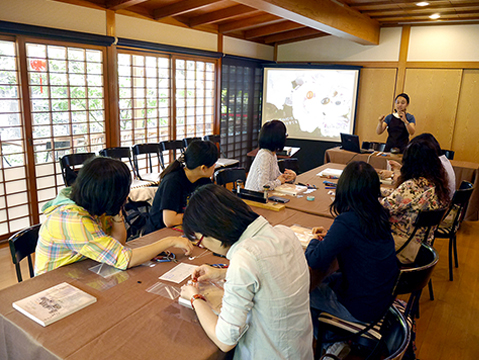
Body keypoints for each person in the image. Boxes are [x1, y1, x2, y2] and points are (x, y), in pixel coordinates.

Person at [180, 184, 313, 360]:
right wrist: (221, 273)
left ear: (212, 232)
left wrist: (195, 298)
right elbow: (269, 273)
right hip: (301, 351)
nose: (202, 246)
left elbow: (225, 340)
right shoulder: (285, 233)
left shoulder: (245, 258)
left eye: (199, 240)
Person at [35, 156, 192, 275]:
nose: (126, 195)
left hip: (83, 271)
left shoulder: (93, 203)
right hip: (55, 283)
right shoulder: (71, 218)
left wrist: (117, 212)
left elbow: (118, 241)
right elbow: (124, 259)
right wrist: (169, 241)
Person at [305, 161, 398, 329]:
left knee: (302, 293)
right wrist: (331, 236)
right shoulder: (380, 215)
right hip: (381, 300)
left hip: (360, 310)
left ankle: (328, 342)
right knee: (328, 278)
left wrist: (313, 239)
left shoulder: (347, 221)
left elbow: (314, 260)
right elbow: (357, 239)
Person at [381, 139, 451, 264]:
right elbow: (399, 199)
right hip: (423, 248)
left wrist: (364, 194)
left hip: (402, 248)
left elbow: (381, 208)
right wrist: (379, 190)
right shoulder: (435, 185)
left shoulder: (412, 186)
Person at [144, 140, 218, 235]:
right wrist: (200, 215)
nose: (215, 166)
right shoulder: (173, 181)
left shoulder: (204, 179)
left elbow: (212, 204)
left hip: (184, 227)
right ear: (203, 168)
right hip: (159, 233)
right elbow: (170, 220)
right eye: (213, 164)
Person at [380, 133, 456, 200]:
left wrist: (393, 175)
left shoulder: (414, 186)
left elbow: (388, 204)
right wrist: (401, 168)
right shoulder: (439, 167)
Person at [245, 120, 296, 191]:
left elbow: (277, 177)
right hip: (254, 198)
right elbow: (263, 186)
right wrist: (279, 181)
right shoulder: (265, 155)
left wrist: (290, 177)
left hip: (264, 195)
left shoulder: (272, 154)